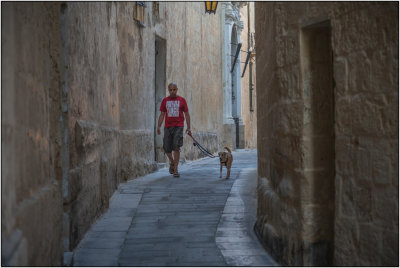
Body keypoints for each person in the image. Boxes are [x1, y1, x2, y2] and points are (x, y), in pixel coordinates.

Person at [157, 82, 191, 177]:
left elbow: (187, 114)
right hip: (168, 127)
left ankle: (175, 169)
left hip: (178, 126)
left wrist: (188, 127)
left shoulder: (182, 100)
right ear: (168, 90)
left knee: (176, 147)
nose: (172, 91)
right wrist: (159, 126)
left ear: (177, 89)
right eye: (170, 90)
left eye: (174, 89)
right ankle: (172, 162)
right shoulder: (165, 101)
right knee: (166, 148)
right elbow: (162, 114)